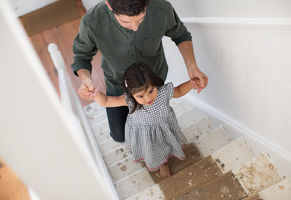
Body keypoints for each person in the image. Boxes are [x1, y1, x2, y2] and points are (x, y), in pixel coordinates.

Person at [71, 0, 208, 143]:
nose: (135, 28)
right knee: (119, 136)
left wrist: (192, 66)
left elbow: (181, 35)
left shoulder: (161, 8)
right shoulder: (92, 21)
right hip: (116, 84)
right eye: (125, 22)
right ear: (109, 5)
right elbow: (81, 57)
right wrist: (86, 78)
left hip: (152, 83)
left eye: (141, 19)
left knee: (156, 125)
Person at [93, 63, 201, 178]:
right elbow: (106, 102)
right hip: (143, 133)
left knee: (162, 147)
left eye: (150, 91)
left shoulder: (162, 92)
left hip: (163, 128)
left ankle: (163, 164)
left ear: (154, 83)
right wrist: (96, 94)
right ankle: (147, 156)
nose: (148, 98)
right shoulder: (129, 101)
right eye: (140, 96)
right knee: (147, 148)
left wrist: (191, 84)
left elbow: (178, 91)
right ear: (132, 95)